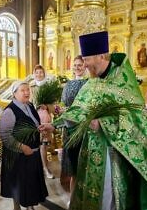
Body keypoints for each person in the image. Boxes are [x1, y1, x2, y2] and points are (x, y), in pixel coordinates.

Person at [39, 31, 147, 210]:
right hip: (90, 150)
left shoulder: (123, 81)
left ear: (102, 56)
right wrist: (53, 125)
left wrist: (103, 123)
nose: (85, 64)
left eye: (87, 59)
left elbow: (135, 118)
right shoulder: (92, 83)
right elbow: (78, 111)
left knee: (109, 198)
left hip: (114, 154)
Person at [0, 81, 48, 210]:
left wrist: (39, 129)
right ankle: (17, 207)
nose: (27, 92)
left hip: (32, 152)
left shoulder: (30, 105)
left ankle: (30, 205)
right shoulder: (9, 111)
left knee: (31, 183)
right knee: (19, 184)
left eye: (28, 90)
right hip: (18, 155)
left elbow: (32, 123)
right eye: (23, 90)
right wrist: (22, 147)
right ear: (14, 93)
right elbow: (5, 136)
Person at [60, 55, 87, 198]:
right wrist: (61, 109)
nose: (77, 67)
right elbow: (62, 104)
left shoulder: (90, 83)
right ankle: (72, 198)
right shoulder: (68, 84)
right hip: (70, 128)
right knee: (73, 167)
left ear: (85, 66)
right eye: (75, 65)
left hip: (84, 128)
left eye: (80, 65)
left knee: (83, 165)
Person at [30, 65, 55, 179]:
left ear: (44, 74)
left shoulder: (48, 87)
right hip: (32, 119)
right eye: (37, 72)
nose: (39, 75)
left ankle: (45, 168)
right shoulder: (30, 87)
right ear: (33, 74)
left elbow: (54, 105)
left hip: (44, 119)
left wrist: (46, 106)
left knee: (43, 145)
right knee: (34, 145)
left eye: (41, 72)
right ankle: (36, 168)